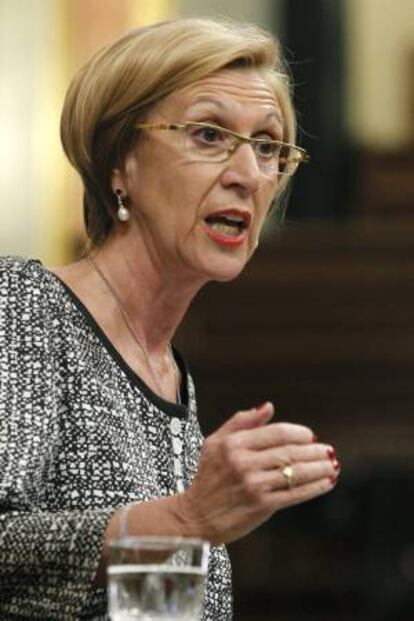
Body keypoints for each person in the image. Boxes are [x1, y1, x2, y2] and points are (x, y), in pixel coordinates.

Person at [0, 17, 340, 621]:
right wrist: (186, 519)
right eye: (209, 135)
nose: (248, 175)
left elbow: (148, 611)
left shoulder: (169, 380)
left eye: (268, 146)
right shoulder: (24, 307)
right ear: (119, 164)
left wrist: (184, 526)